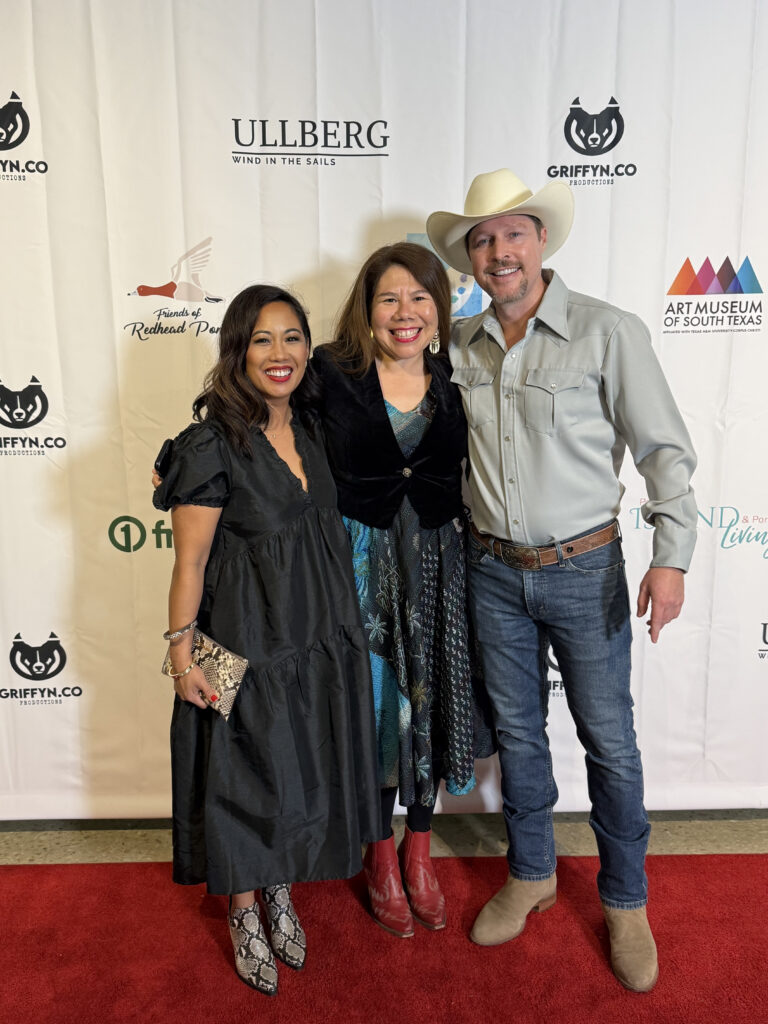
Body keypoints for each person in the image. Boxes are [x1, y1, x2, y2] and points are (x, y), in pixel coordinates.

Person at [426, 169, 697, 991]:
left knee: (609, 742)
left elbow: (663, 451)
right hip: (490, 572)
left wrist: (673, 556)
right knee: (517, 735)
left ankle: (625, 901)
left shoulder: (608, 331)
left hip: (587, 571)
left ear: (541, 240)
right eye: (482, 239)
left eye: (514, 233)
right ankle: (532, 873)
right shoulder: (458, 347)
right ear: (470, 259)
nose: (499, 251)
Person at [153, 284, 380, 996]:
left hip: (315, 636)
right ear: (237, 351)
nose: (279, 353)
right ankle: (244, 908)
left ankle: (278, 884)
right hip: (241, 644)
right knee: (241, 776)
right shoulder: (209, 443)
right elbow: (190, 562)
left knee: (294, 766)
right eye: (261, 339)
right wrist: (181, 655)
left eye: (292, 337)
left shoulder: (311, 427)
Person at [312, 242, 494, 937]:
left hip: (440, 567)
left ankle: (420, 846)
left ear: (440, 309)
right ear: (367, 310)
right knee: (374, 711)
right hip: (358, 571)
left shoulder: (458, 373)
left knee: (429, 705)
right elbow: (264, 424)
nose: (405, 312)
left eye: (419, 297)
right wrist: (188, 460)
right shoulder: (331, 372)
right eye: (389, 298)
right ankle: (379, 853)